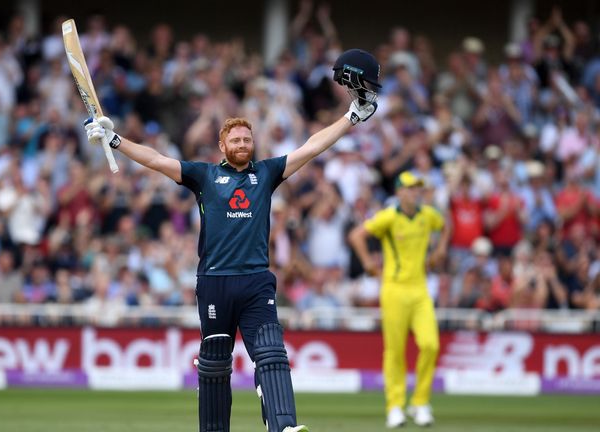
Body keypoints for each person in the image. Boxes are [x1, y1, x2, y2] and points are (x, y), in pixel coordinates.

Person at [84, 48, 380, 432]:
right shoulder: (203, 176)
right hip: (214, 281)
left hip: (256, 280)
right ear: (222, 146)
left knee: (271, 353)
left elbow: (312, 145)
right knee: (214, 366)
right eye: (235, 140)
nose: (242, 144)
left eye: (247, 139)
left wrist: (351, 117)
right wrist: (117, 140)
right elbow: (157, 160)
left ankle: (284, 426)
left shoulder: (268, 173)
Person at [348, 171, 450, 428]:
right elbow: (356, 235)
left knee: (431, 345)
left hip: (420, 289)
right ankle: (395, 406)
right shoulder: (389, 217)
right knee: (395, 351)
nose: (416, 192)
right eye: (410, 188)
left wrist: (440, 249)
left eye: (418, 188)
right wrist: (369, 264)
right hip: (393, 289)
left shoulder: (428, 215)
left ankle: (420, 403)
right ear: (400, 192)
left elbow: (446, 225)